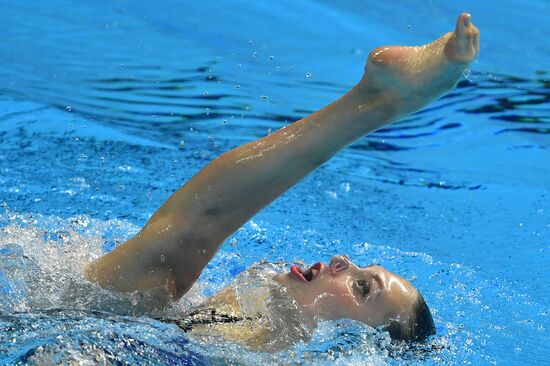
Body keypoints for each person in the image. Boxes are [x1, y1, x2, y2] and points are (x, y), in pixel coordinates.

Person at [84, 13, 480, 349]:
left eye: (363, 288)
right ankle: (376, 102)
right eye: (363, 271)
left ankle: (379, 104)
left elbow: (196, 224)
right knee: (167, 259)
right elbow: (197, 221)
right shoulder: (193, 333)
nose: (343, 260)